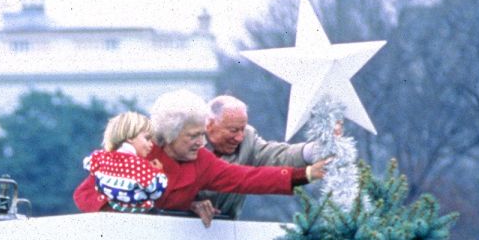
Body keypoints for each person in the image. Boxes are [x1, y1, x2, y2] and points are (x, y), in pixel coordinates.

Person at [73, 90, 327, 224]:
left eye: (202, 135)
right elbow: (84, 195)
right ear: (171, 135)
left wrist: (305, 174)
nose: (201, 143)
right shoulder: (141, 153)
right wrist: (123, 211)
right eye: (193, 136)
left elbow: (249, 178)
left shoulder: (202, 162)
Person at [196, 94, 322, 219]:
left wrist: (312, 152)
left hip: (226, 230)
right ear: (210, 125)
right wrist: (190, 205)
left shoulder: (247, 139)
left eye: (242, 129)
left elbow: (273, 159)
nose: (240, 137)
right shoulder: (184, 142)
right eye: (233, 130)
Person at [84, 111, 167, 212]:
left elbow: (88, 164)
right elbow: (155, 192)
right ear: (130, 138)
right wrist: (158, 173)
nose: (151, 144)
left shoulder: (102, 157)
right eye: (147, 138)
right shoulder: (139, 166)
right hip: (135, 214)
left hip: (110, 209)